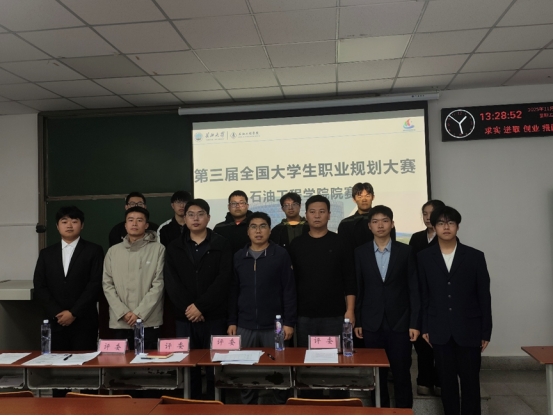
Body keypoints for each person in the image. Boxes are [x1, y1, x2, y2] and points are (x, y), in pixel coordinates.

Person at [418, 206, 492, 415]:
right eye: (441, 223)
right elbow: (423, 296)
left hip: (469, 329)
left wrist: (485, 331)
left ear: (457, 226)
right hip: (439, 329)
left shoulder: (475, 256)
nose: (446, 227)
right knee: (446, 383)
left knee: (470, 382)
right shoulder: (424, 257)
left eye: (450, 223)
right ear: (434, 227)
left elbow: (484, 296)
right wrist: (425, 326)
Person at [164, 199, 232, 400]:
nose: (196, 219)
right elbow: (172, 282)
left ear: (208, 218)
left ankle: (216, 405)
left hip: (214, 317)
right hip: (185, 318)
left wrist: (201, 307)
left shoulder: (222, 244)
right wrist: (191, 309)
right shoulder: (174, 247)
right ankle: (190, 406)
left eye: (200, 214)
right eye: (191, 214)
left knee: (215, 365)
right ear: (184, 218)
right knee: (188, 366)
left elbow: (224, 279)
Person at [354, 205, 420, 408]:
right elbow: (359, 289)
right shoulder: (360, 252)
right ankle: (379, 411)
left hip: (400, 322)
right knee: (376, 374)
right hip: (371, 323)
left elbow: (414, 289)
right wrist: (359, 320)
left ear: (392, 224)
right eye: (375, 221)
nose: (380, 225)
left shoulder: (406, 251)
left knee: (401, 372)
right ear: (369, 226)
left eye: (384, 221)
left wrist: (414, 323)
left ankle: (404, 411)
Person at [228, 212, 296, 404]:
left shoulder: (280, 255)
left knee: (278, 371)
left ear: (270, 230)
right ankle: (248, 408)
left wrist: (289, 322)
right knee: (246, 371)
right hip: (245, 325)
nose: (258, 231)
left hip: (275, 326)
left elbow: (289, 290)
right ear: (248, 231)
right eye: (254, 226)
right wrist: (232, 321)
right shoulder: (239, 256)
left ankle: (281, 408)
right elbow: (233, 291)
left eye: (263, 226)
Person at [289, 195, 356, 347]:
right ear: (306, 215)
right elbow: (291, 282)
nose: (317, 216)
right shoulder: (297, 245)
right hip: (304, 316)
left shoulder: (341, 243)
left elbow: (349, 280)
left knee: (334, 356)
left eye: (322, 211)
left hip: (335, 315)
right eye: (312, 212)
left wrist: (350, 310)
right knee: (305, 357)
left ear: (329, 215)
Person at [34, 206, 104, 351]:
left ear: (82, 225)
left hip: (84, 320)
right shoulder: (46, 254)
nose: (69, 225)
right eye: (64, 221)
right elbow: (40, 285)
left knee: (85, 361)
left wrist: (73, 313)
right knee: (55, 361)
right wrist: (57, 313)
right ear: (57, 226)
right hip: (54, 321)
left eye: (74, 221)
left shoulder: (94, 250)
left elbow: (95, 284)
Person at [103, 206, 165, 350]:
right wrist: (123, 312)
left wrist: (139, 313)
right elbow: (107, 284)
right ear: (125, 225)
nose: (134, 223)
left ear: (146, 225)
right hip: (121, 321)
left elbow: (159, 284)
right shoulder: (113, 251)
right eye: (130, 220)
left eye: (139, 220)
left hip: (148, 320)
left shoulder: (158, 249)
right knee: (120, 362)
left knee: (149, 361)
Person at [408, 199, 445, 397]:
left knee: (441, 343)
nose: (428, 217)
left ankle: (440, 380)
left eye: (433, 213)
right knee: (422, 343)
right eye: (425, 213)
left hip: (441, 298)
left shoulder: (448, 237)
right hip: (420, 296)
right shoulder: (416, 238)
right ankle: (424, 380)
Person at [338, 182, 396, 251]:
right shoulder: (345, 224)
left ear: (373, 197)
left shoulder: (385, 222)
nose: (364, 199)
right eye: (360, 196)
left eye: (367, 196)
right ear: (354, 199)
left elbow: (392, 247)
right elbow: (343, 250)